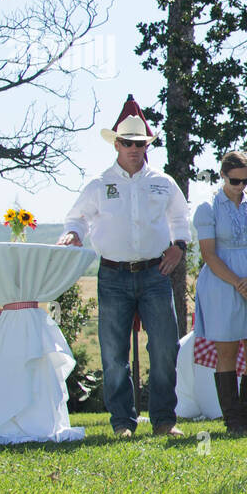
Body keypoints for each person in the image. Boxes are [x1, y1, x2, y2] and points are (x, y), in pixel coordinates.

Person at [58, 114, 189, 439]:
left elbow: (180, 217)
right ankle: (122, 424)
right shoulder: (99, 184)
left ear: (147, 146)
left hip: (156, 272)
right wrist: (74, 234)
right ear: (116, 144)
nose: (134, 148)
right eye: (128, 143)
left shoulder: (163, 182)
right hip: (113, 274)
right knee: (113, 353)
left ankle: (163, 420)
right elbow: (77, 218)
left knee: (163, 349)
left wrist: (180, 247)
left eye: (140, 143)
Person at [192, 151, 247, 436]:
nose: (241, 186)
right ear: (223, 176)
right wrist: (238, 283)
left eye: (246, 180)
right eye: (235, 180)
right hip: (221, 282)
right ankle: (232, 421)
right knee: (227, 352)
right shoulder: (207, 207)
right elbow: (208, 253)